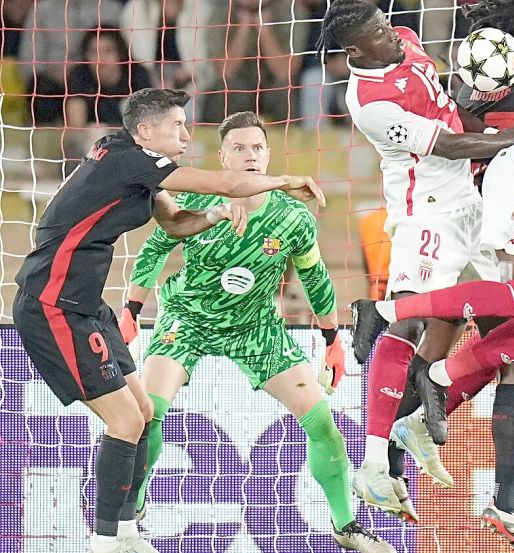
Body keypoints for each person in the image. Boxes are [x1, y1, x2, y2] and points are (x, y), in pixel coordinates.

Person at [11, 88, 322, 553]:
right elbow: (229, 183)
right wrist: (284, 180)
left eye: (184, 122)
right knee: (124, 422)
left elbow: (175, 223)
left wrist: (215, 216)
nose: (184, 132)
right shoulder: (132, 160)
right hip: (52, 304)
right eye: (176, 124)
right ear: (144, 132)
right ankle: (104, 541)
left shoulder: (132, 161)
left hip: (85, 303)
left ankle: (129, 535)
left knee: (144, 413)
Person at [118, 111, 395, 552]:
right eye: (240, 148)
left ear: (269, 155)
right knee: (149, 413)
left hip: (255, 328)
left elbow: (316, 278)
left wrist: (332, 340)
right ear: (223, 155)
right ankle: (136, 503)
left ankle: (347, 527)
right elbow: (155, 247)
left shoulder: (292, 219)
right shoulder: (197, 199)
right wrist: (132, 309)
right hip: (187, 319)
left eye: (258, 148)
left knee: (323, 423)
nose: (250, 156)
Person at [318, 0, 514, 521]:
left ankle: (427, 426)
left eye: (386, 21)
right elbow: (446, 144)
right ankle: (374, 463)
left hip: (472, 202)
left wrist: (496, 138)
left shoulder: (405, 40)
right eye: (377, 30)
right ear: (356, 48)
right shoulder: (370, 102)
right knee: (410, 319)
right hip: (426, 211)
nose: (392, 32)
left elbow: (450, 111)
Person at [66, 29, 153, 128]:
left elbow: (146, 125)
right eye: (94, 52)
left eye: (108, 51)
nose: (101, 58)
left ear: (120, 54)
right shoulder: (79, 76)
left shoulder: (137, 75)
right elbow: (76, 128)